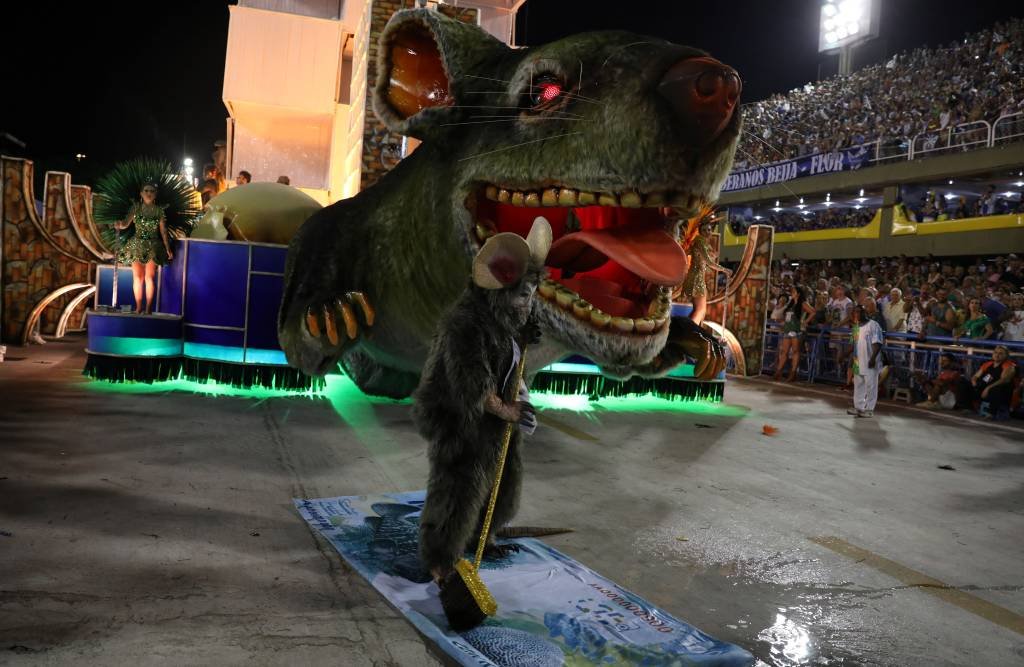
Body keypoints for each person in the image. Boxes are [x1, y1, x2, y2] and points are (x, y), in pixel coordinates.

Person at [114, 183, 174, 315]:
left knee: (149, 277)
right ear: (141, 193)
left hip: (153, 245)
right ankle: (139, 307)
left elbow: (163, 231)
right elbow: (125, 224)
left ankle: (148, 309)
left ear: (155, 194)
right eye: (146, 190)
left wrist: (167, 248)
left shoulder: (159, 211)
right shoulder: (135, 208)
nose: (149, 193)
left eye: (152, 191)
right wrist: (119, 224)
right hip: (136, 245)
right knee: (137, 277)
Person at [679, 216, 732, 325]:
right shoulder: (700, 242)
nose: (708, 232)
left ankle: (691, 330)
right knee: (700, 310)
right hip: (697, 279)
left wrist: (712, 257)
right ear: (700, 231)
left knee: (699, 309)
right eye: (704, 230)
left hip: (695, 277)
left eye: (709, 229)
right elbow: (708, 261)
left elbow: (696, 256)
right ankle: (691, 331)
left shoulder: (699, 242)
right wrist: (724, 270)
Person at [846, 305, 884, 418]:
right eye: (855, 312)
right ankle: (858, 407)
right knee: (858, 385)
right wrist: (844, 355)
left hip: (870, 360)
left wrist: (873, 358)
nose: (857, 314)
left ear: (864, 312)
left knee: (871, 385)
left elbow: (877, 343)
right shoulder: (856, 327)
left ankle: (869, 409)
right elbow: (853, 344)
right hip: (858, 360)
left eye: (859, 312)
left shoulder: (873, 325)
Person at [774, 285, 814, 382]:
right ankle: (779, 371)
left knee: (795, 351)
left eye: (794, 291)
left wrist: (805, 321)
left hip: (796, 330)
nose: (792, 293)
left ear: (798, 293)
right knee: (784, 351)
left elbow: (813, 311)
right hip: (788, 329)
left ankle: (792, 373)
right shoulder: (791, 303)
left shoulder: (803, 303)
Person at [970, 346, 1017, 419]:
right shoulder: (988, 364)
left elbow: (1004, 380)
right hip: (984, 388)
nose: (997, 355)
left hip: (1000, 392)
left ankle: (991, 413)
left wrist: (988, 388)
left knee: (996, 388)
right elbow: (976, 376)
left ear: (1006, 356)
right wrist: (974, 382)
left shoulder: (1009, 366)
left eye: (1001, 353)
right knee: (963, 383)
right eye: (995, 352)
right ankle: (967, 408)